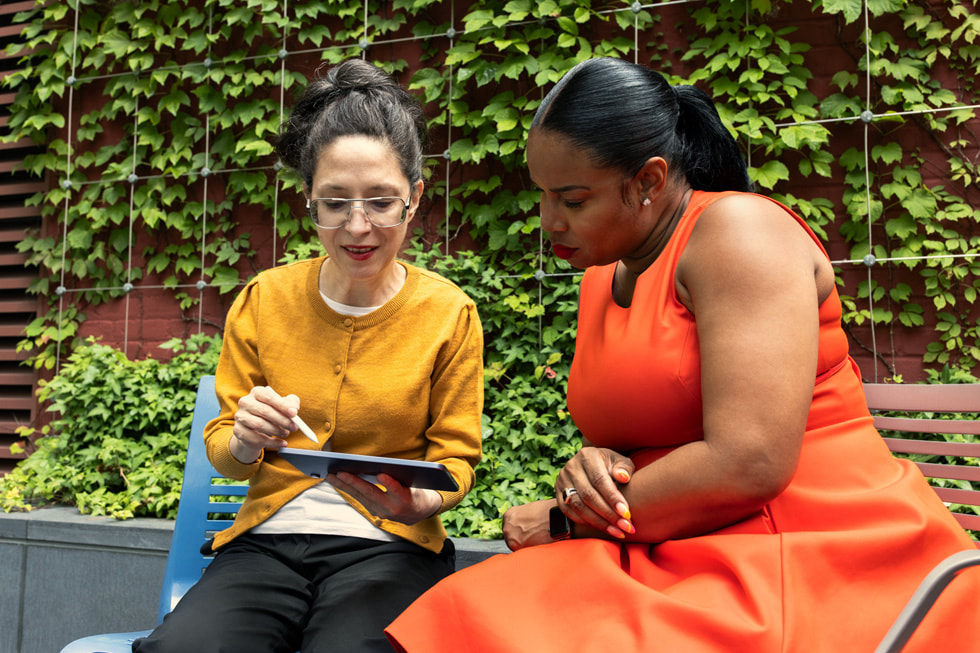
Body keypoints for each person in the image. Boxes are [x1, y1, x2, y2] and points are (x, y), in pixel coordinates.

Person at [385, 57, 979, 652]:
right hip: (680, 543)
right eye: (542, 195)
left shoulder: (737, 234)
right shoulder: (606, 274)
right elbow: (645, 434)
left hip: (815, 547)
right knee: (468, 613)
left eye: (571, 198)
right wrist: (585, 475)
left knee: (482, 621)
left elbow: (751, 462)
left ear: (647, 181)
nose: (547, 221)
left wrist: (568, 518)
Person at [133, 58, 484, 653]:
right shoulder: (265, 300)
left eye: (380, 201)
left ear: (414, 199)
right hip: (265, 546)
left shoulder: (448, 313)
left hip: (391, 546)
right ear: (309, 202)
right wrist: (246, 438)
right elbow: (225, 449)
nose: (357, 226)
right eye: (334, 203)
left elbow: (456, 459)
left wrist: (421, 498)